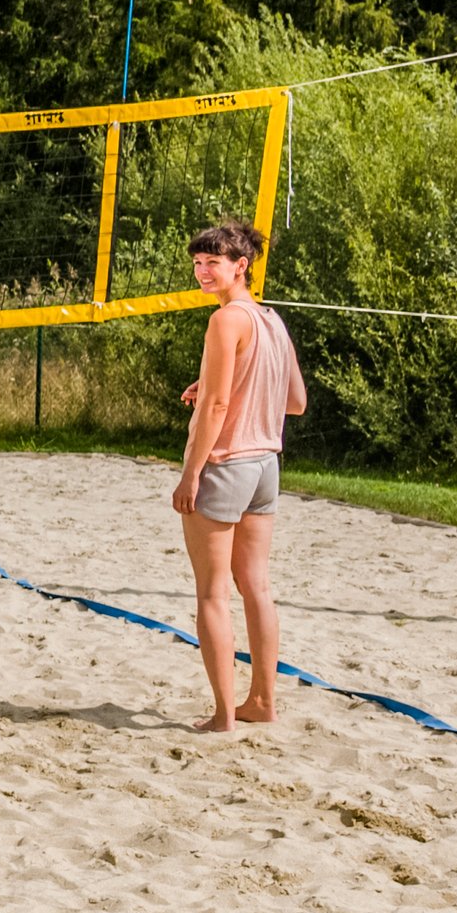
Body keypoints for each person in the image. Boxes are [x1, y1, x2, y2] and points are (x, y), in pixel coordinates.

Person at [167, 215, 305, 735]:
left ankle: (224, 714)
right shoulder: (271, 320)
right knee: (257, 587)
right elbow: (294, 402)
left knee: (211, 594)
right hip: (266, 463)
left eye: (213, 263)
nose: (203, 272)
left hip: (226, 464)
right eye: (198, 263)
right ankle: (262, 702)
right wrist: (219, 391)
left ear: (240, 266)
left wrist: (190, 473)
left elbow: (219, 405)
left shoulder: (226, 321)